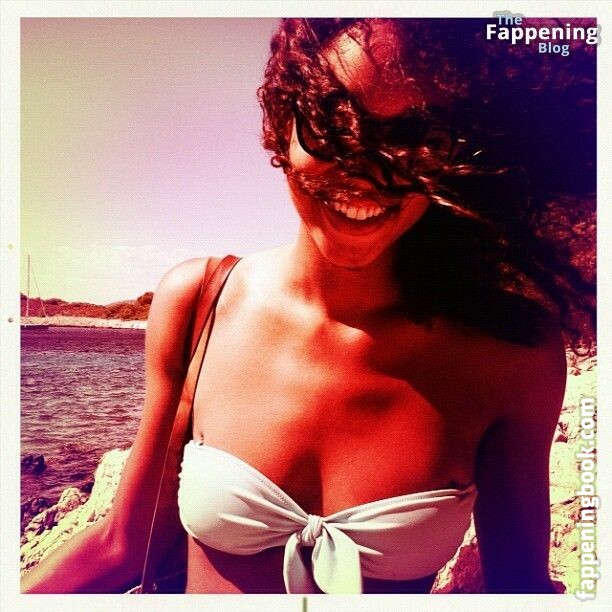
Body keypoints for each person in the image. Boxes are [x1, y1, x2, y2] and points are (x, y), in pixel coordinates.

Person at [21, 18, 595, 594]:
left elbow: (519, 588)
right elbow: (122, 546)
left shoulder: (510, 355)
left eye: (415, 137)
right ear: (282, 124)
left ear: (453, 157)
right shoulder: (200, 304)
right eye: (336, 123)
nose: (367, 173)